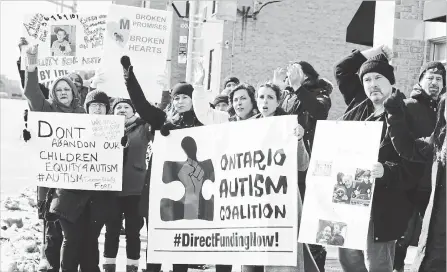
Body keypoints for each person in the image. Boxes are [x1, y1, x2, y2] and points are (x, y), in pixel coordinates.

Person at [333, 44, 424, 271]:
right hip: (347, 200)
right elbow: (342, 69)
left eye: (378, 78)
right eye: (367, 80)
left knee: (377, 264)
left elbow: (414, 164)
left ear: (391, 81)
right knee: (349, 263)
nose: (372, 84)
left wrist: (386, 170)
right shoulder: (357, 109)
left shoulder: (405, 111)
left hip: (381, 206)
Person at [24, 44, 113, 272]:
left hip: (87, 189)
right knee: (63, 238)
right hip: (60, 189)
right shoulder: (46, 109)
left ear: (75, 92)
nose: (64, 92)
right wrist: (31, 63)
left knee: (83, 240)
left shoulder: (83, 115)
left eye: (68, 89)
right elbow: (31, 92)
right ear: (54, 93)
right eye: (59, 89)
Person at [391, 61, 446, 272]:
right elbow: (402, 143)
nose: (434, 82)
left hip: (435, 188)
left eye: (439, 79)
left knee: (430, 237)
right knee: (403, 235)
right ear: (420, 80)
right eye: (430, 78)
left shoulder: (443, 107)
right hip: (411, 183)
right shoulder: (408, 105)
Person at [103, 98, 152, 272]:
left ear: (133, 111)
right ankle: (109, 266)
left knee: (133, 232)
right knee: (112, 231)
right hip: (112, 189)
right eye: (118, 107)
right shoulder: (105, 128)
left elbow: (157, 123)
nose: (122, 110)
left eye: (126, 107)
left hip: (134, 189)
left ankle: (132, 267)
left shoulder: (143, 127)